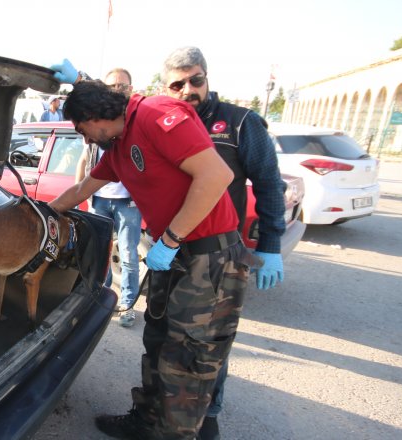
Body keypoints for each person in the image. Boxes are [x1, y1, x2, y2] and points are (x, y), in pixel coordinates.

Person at [49, 59, 253, 439]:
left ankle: (176, 434)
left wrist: (171, 240)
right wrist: (38, 213)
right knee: (158, 343)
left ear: (95, 116)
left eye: (83, 130)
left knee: (188, 361)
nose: (86, 140)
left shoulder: (156, 114)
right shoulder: (119, 147)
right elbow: (80, 191)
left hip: (208, 258)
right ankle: (146, 423)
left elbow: (216, 175)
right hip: (173, 254)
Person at [162, 46, 286, 440]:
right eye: (177, 83)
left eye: (195, 80)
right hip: (172, 246)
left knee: (211, 342)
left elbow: (268, 183)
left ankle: (207, 418)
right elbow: (118, 102)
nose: (187, 90)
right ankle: (161, 413)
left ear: (207, 77)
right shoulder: (163, 122)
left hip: (219, 254)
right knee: (168, 336)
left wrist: (270, 243)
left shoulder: (238, 123)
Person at [75, 67, 142, 328]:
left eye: (123, 86)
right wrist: (82, 196)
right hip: (99, 199)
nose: (118, 90)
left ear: (130, 89)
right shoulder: (96, 121)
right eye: (113, 86)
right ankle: (100, 299)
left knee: (128, 256)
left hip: (128, 203)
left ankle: (127, 305)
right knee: (99, 253)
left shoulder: (134, 123)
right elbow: (83, 161)